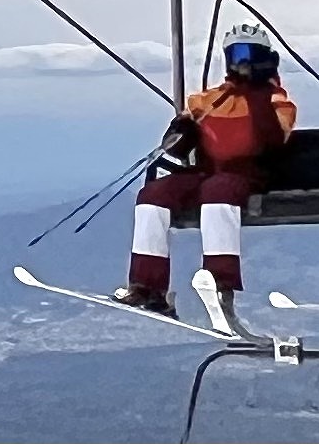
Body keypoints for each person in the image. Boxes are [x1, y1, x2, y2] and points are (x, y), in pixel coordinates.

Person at [116, 22, 297, 317]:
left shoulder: (276, 101)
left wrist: (258, 89)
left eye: (249, 54)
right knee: (152, 195)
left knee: (218, 191)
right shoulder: (208, 101)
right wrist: (182, 129)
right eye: (236, 54)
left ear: (264, 57)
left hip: (248, 173)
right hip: (206, 171)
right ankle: (146, 285)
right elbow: (176, 149)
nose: (241, 61)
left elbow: (272, 140)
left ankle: (220, 281)